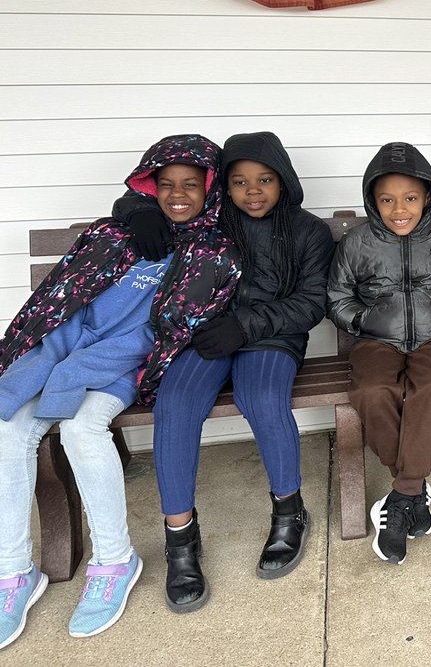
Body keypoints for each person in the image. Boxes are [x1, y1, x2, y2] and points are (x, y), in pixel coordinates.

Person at [0, 135, 239, 648]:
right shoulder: (115, 233)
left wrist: (75, 371)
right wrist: (47, 363)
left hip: (121, 369)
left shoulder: (212, 251)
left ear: (210, 189)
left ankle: (114, 561)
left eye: (191, 185)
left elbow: (163, 333)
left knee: (82, 428)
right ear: (148, 186)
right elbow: (63, 301)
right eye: (166, 184)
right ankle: (13, 572)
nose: (178, 195)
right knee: (9, 427)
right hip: (65, 356)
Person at [117, 132, 334, 610]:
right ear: (224, 186)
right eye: (239, 181)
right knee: (174, 405)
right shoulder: (212, 218)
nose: (252, 191)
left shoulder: (309, 231)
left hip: (272, 336)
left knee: (262, 398)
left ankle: (289, 512)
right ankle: (180, 539)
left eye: (265, 180)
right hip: (209, 334)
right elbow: (155, 198)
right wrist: (140, 212)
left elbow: (312, 302)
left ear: (284, 181)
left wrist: (247, 325)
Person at [327, 142, 431, 565]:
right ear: (372, 201)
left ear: (427, 197)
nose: (400, 209)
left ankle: (402, 494)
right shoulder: (357, 243)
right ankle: (413, 489)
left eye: (410, 198)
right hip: (375, 340)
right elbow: (337, 296)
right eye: (387, 200)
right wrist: (364, 320)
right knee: (372, 391)